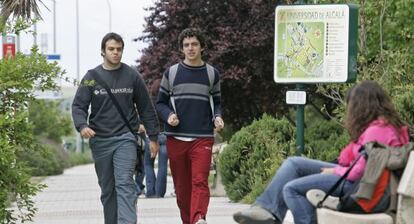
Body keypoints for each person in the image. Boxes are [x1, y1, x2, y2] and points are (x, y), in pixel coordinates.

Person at [233, 80, 410, 224]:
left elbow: (360, 171)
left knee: (291, 189)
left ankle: (269, 212)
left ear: (362, 106)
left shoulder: (378, 130)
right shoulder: (384, 126)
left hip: (358, 183)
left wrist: (335, 171)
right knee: (294, 164)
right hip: (358, 177)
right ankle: (266, 210)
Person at [72, 32, 160, 224]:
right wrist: (82, 125)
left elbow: (146, 108)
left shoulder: (132, 76)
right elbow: (78, 106)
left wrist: (153, 137)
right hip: (100, 141)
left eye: (119, 49)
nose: (116, 53)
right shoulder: (91, 77)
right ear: (102, 51)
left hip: (125, 138)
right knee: (108, 189)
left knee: (125, 184)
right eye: (111, 49)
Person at [156, 28, 224, 224]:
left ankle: (199, 218)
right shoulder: (172, 73)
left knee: (200, 181)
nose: (190, 48)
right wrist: (169, 116)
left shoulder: (212, 74)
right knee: (182, 189)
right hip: (176, 138)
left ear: (202, 46)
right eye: (186, 45)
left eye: (194, 44)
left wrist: (217, 117)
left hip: (202, 136)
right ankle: (190, 221)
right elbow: (160, 103)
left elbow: (217, 103)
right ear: (181, 49)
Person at [143, 78, 169, 198]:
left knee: (148, 164)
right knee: (163, 165)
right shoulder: (166, 103)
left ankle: (150, 191)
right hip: (165, 135)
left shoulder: (149, 102)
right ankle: (160, 193)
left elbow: (143, 118)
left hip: (151, 136)